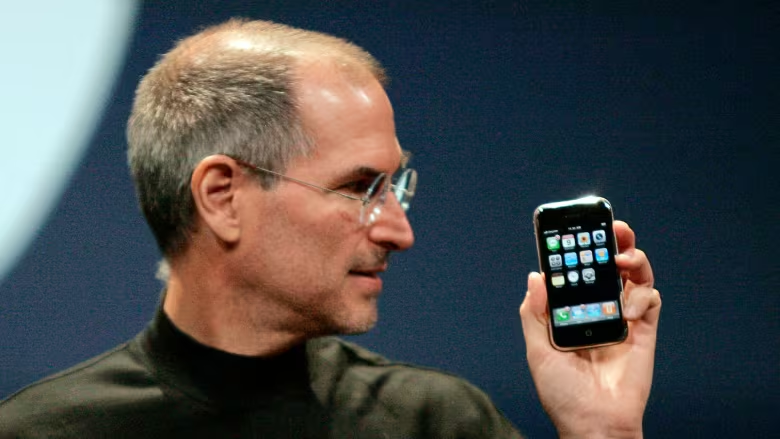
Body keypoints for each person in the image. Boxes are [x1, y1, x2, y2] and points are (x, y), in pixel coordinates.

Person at [0, 19, 661, 438]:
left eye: (396, 186)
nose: (399, 231)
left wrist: (602, 430)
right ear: (222, 196)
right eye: (358, 187)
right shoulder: (42, 433)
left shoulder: (438, 424)